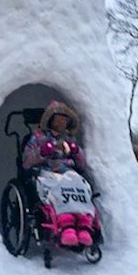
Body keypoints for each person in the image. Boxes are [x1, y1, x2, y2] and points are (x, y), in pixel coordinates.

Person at [23, 100, 98, 247]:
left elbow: (81, 164)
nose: (62, 121)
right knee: (57, 189)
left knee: (80, 185)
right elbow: (26, 162)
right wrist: (42, 152)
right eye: (59, 118)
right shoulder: (37, 137)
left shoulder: (69, 139)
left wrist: (76, 152)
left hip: (68, 172)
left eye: (65, 119)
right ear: (51, 119)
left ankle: (84, 225)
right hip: (46, 172)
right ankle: (66, 225)